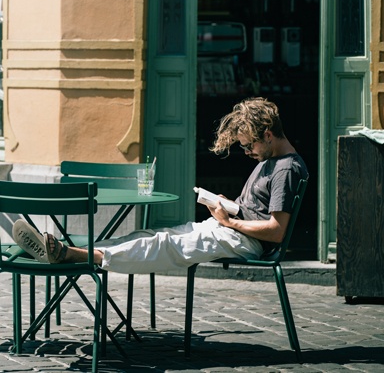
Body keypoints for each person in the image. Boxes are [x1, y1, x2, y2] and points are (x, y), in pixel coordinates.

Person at [13, 97, 309, 274]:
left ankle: (69, 255)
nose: (247, 153)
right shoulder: (269, 161)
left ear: (268, 135)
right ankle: (68, 250)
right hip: (228, 230)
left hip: (243, 241)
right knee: (151, 234)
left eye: (249, 146)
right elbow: (257, 211)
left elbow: (276, 231)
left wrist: (230, 221)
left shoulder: (285, 169)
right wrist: (228, 207)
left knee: (163, 246)